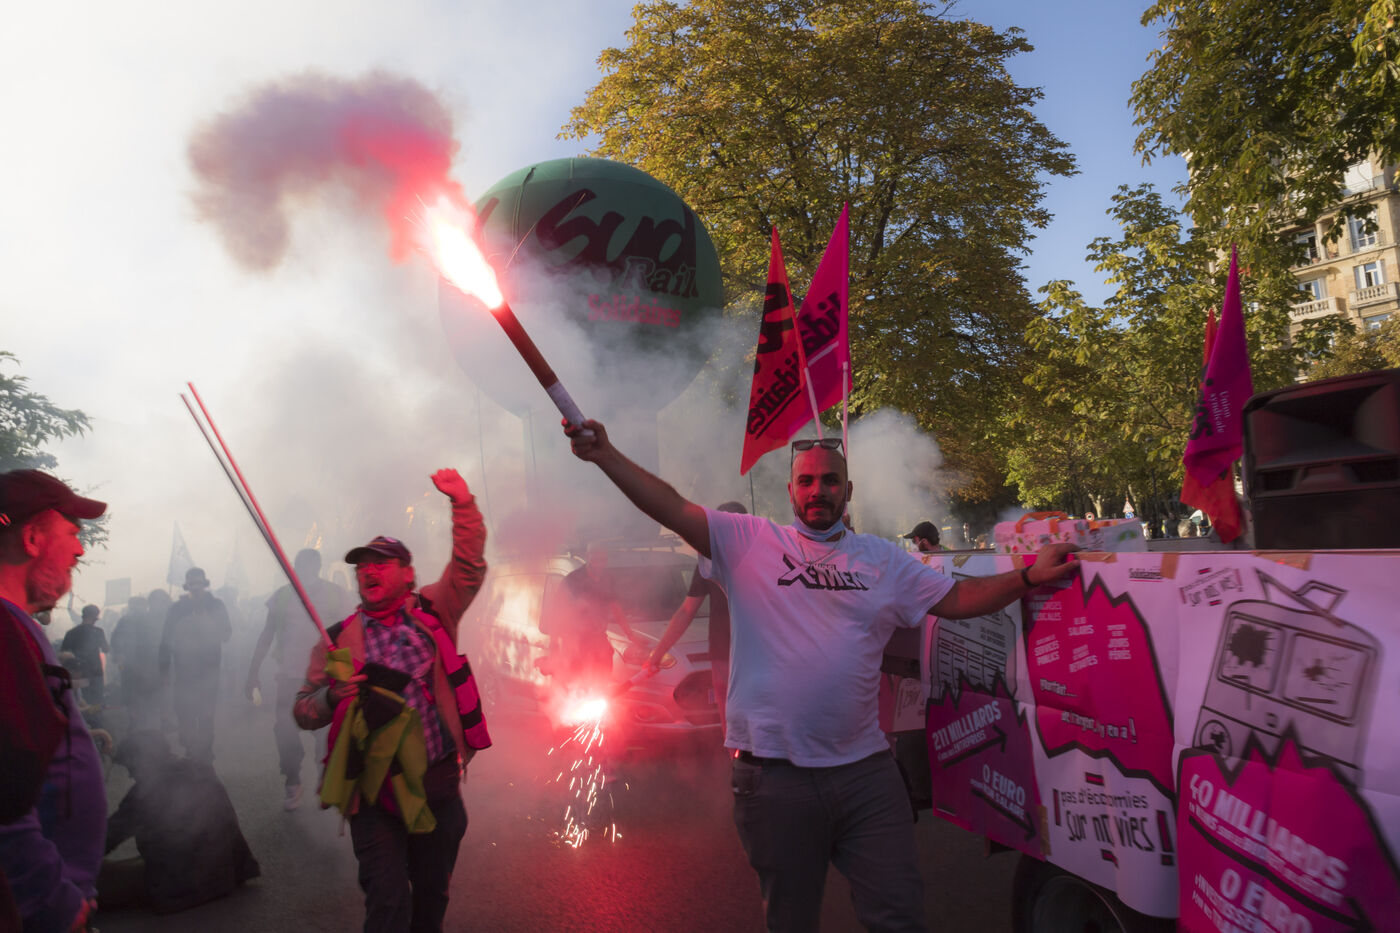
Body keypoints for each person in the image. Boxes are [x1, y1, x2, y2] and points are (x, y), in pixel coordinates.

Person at [563, 423, 1078, 932]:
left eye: (830, 481)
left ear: (847, 491)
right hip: (774, 778)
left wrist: (1028, 576)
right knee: (792, 921)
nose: (818, 491)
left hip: (868, 774)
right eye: (806, 481)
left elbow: (957, 598)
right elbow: (672, 508)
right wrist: (607, 454)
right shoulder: (749, 541)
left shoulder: (882, 559)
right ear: (790, 492)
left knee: (900, 916)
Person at [293, 469, 490, 933]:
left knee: (432, 895)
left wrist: (463, 504)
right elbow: (303, 708)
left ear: (408, 573)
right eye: (362, 566)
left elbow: (468, 566)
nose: (369, 571)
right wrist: (329, 697)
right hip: (374, 793)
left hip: (438, 783)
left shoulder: (435, 612)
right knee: (387, 903)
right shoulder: (337, 640)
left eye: (382, 563)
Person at [0, 469, 110, 933]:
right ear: (31, 539)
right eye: (72, 533)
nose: (80, 550)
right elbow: (4, 805)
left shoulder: (16, 625)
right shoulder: (2, 631)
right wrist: (53, 902)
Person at [99, 731, 259, 914]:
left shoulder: (144, 794)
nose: (130, 775)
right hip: (225, 873)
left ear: (143, 763)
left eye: (131, 767)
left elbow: (105, 839)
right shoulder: (201, 768)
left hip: (181, 885)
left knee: (100, 878)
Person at [245, 548, 351, 811]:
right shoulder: (281, 596)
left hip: (325, 678)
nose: (304, 569)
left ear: (318, 566)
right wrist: (252, 673)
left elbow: (351, 631)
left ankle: (326, 781)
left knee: (325, 733)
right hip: (289, 678)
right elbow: (267, 634)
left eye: (309, 564)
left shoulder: (335, 594)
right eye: (299, 564)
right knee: (285, 731)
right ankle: (292, 780)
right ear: (293, 566)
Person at [648, 501, 748, 729]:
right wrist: (658, 653)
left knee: (752, 723)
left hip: (756, 655)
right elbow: (686, 611)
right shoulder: (708, 562)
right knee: (732, 724)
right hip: (724, 655)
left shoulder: (764, 558)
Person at [159, 567, 231, 763]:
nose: (196, 587)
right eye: (192, 583)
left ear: (205, 584)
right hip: (184, 670)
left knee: (206, 714)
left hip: (209, 670)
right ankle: (191, 749)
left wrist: (210, 622)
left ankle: (205, 752)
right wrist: (164, 670)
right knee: (185, 712)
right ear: (186, 586)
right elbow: (166, 640)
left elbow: (227, 634)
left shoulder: (216, 605)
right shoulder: (177, 609)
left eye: (199, 583)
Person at [542, 543, 637, 687]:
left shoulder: (608, 579)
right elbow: (557, 612)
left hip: (599, 640)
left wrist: (630, 634)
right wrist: (554, 646)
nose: (599, 564)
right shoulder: (573, 580)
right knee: (576, 684)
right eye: (595, 559)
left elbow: (616, 607)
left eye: (602, 560)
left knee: (602, 682)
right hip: (576, 643)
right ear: (588, 557)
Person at [111, 596, 163, 733]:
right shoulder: (125, 621)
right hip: (130, 664)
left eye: (141, 605)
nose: (139, 608)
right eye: (136, 606)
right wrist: (119, 654)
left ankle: (148, 725)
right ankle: (135, 723)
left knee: (147, 694)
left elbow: (158, 640)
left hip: (148, 664)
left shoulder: (151, 620)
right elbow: (116, 639)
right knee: (131, 694)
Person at [60, 604, 108, 712]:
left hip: (77, 673)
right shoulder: (98, 632)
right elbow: (106, 649)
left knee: (80, 701)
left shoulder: (71, 633)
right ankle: (96, 720)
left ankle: (83, 721)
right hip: (95, 672)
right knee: (96, 701)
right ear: (95, 617)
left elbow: (63, 654)